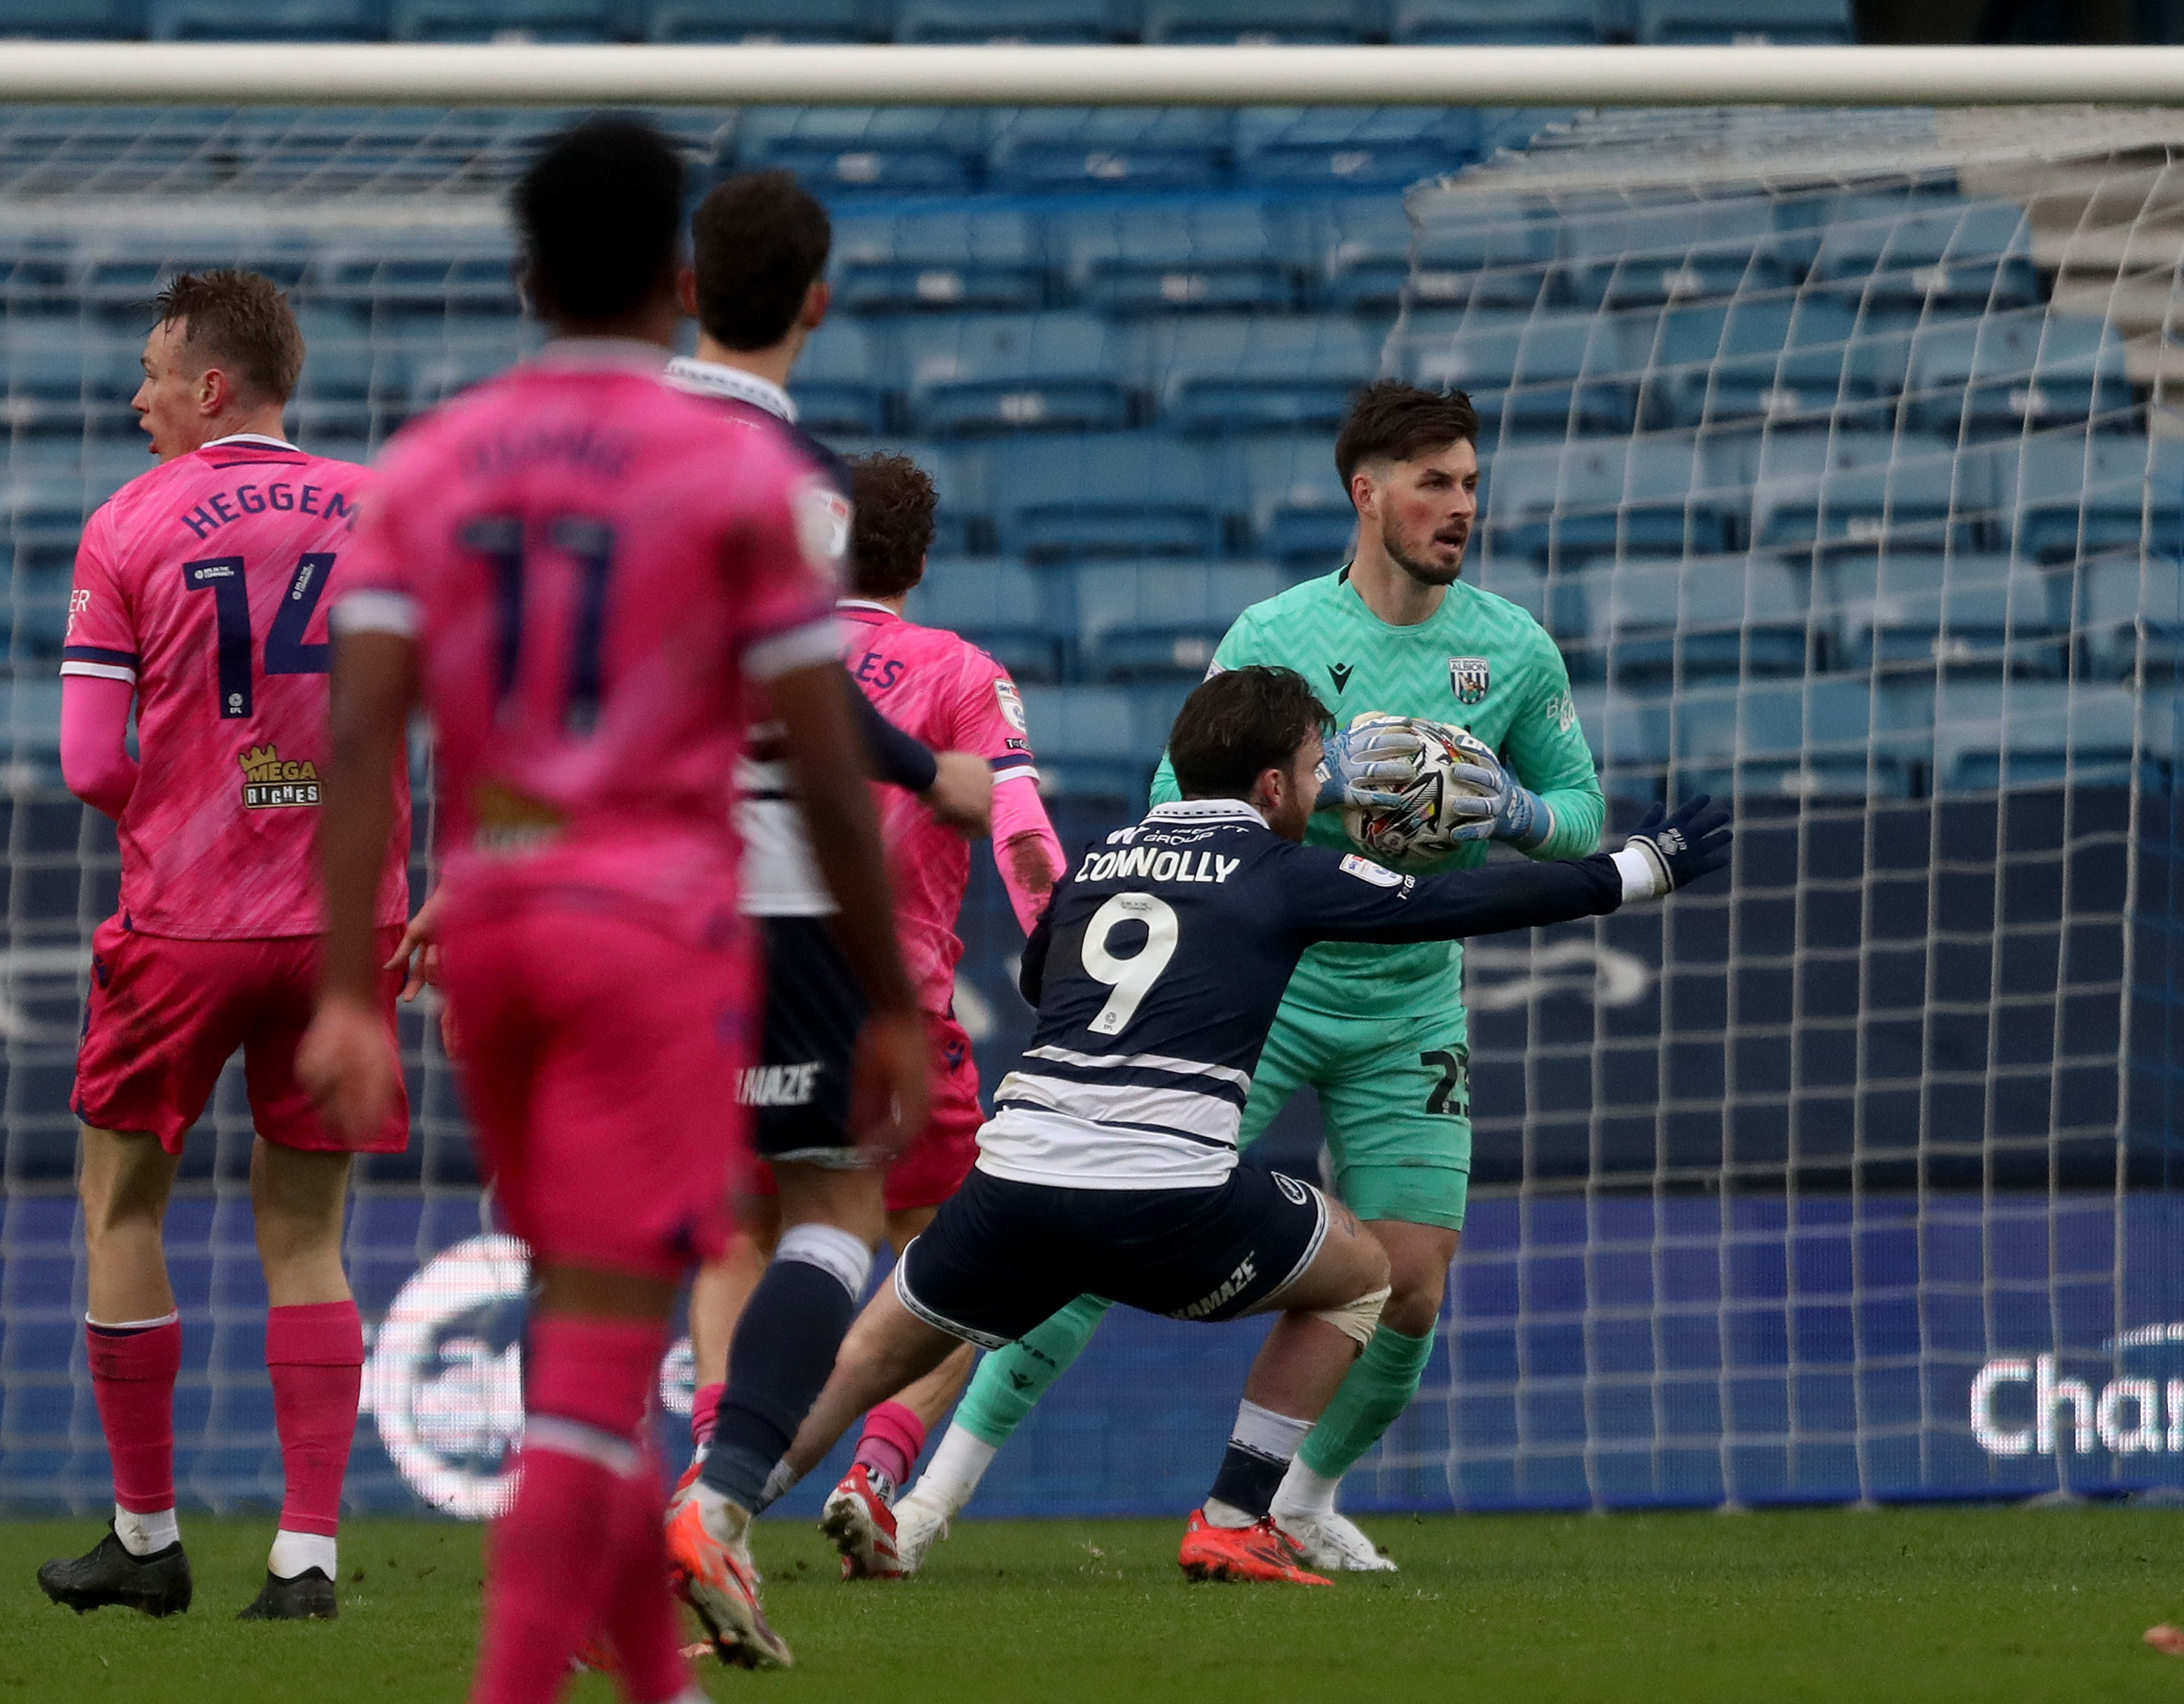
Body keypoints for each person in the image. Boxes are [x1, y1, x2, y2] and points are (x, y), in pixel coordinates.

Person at [297, 117, 925, 1704]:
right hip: (652, 914)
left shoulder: (435, 454)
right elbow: (822, 746)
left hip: (495, 911)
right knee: (599, 1339)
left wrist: (350, 991)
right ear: (674, 277)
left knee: (587, 1283)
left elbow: (359, 731)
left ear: (524, 274)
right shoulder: (736, 468)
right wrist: (897, 990)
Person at [729, 665, 1724, 1611]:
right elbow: (1458, 901)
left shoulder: (1104, 858)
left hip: (1013, 1186)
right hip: (1168, 1201)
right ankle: (1236, 1516)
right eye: (1315, 763)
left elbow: (1041, 983)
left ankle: (711, 1509)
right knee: (1369, 1271)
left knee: (859, 1362)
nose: (1325, 780)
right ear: (1270, 783)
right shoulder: (1281, 869)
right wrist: (1633, 869)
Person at [893, 381, 1605, 1574]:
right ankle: (930, 1498)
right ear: (1363, 493)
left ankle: (1295, 1497)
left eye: (1470, 484)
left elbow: (1580, 822)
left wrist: (1514, 808)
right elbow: (1186, 814)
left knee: (1413, 1284)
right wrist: (1320, 827)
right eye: (1433, 482)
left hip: (1406, 1003)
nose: (1459, 507)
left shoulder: (1513, 649)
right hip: (1259, 992)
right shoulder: (1271, 640)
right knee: (1089, 1241)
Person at [38, 269, 412, 1623]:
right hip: (346, 921)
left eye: (152, 372)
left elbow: (89, 762)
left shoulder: (128, 521)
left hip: (187, 920)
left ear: (211, 387)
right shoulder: (388, 511)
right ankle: (304, 1560)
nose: (135, 397)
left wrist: (212, 804)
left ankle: (146, 1540)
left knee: (119, 1204)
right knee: (307, 1235)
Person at [649, 173, 1001, 1536]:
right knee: (837, 1207)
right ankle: (727, 1497)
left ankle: (618, 1531)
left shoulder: (593, 448)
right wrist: (935, 773)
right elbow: (798, 683)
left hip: (602, 884)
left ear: (687, 290)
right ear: (818, 302)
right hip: (767, 893)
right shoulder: (788, 484)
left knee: (639, 1232)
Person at [806, 452, 1065, 1575]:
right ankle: (874, 1470)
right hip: (896, 1018)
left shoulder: (753, 661)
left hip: (744, 1013)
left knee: (742, 1257)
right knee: (961, 1270)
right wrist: (1065, 949)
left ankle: (707, 1487)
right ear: (919, 558)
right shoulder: (959, 669)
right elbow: (1015, 823)